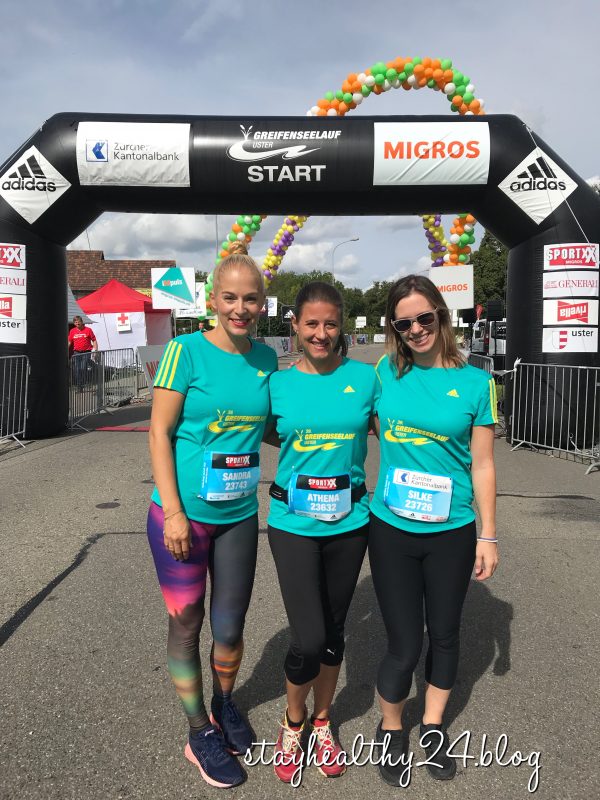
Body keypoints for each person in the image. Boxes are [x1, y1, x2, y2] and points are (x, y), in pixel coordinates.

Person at [147, 253, 277, 789]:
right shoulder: (185, 351)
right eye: (230, 297)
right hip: (183, 517)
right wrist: (174, 512)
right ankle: (198, 730)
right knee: (187, 622)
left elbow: (271, 429)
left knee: (230, 626)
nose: (240, 308)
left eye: (250, 298)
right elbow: (159, 432)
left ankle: (225, 704)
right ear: (213, 300)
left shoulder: (266, 358)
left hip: (240, 515)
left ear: (262, 303)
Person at [369, 274, 499, 785]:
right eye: (404, 324)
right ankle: (391, 726)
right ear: (394, 329)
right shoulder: (384, 373)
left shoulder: (476, 383)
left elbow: (482, 465)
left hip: (452, 530)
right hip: (392, 530)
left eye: (424, 318)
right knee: (404, 642)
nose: (416, 330)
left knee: (444, 634)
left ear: (441, 315)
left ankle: (432, 725)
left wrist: (488, 534)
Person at [266, 281, 379, 783]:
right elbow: (258, 431)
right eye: (311, 323)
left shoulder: (367, 378)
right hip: (293, 523)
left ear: (342, 326)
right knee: (308, 638)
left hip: (350, 522)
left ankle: (323, 720)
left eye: (330, 323)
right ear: (294, 324)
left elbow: (400, 426)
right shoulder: (277, 384)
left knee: (333, 633)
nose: (321, 333)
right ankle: (293, 723)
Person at [68, 315, 97, 391]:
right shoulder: (72, 331)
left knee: (83, 367)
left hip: (86, 352)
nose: (77, 323)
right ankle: (79, 386)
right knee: (77, 369)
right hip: (76, 352)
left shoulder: (88, 330)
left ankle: (85, 383)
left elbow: (94, 340)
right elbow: (69, 342)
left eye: (78, 322)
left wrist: (95, 350)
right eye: (75, 322)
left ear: (82, 322)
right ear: (74, 323)